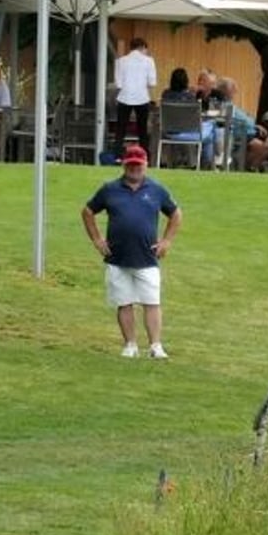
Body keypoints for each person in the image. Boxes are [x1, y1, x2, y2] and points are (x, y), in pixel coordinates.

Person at [80, 146, 183, 359]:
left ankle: (155, 346)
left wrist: (167, 241)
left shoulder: (156, 190)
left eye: (138, 164)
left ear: (145, 164)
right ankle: (130, 345)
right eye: (131, 164)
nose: (134, 168)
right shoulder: (109, 189)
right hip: (117, 257)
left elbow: (175, 214)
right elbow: (88, 211)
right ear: (124, 164)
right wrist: (97, 239)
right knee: (123, 301)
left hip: (147, 257)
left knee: (151, 302)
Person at [216, 77, 268, 171]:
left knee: (264, 144)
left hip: (241, 135)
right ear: (226, 91)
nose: (236, 90)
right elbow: (245, 122)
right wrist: (256, 128)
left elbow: (245, 121)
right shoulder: (227, 107)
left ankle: (250, 167)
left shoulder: (225, 105)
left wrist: (255, 126)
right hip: (240, 138)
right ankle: (251, 168)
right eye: (233, 88)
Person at [113, 38, 156, 156]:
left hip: (124, 97)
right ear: (142, 47)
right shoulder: (149, 61)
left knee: (120, 129)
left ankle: (117, 155)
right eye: (146, 49)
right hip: (142, 98)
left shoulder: (121, 61)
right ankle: (144, 156)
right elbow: (152, 83)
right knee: (142, 130)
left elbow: (118, 84)